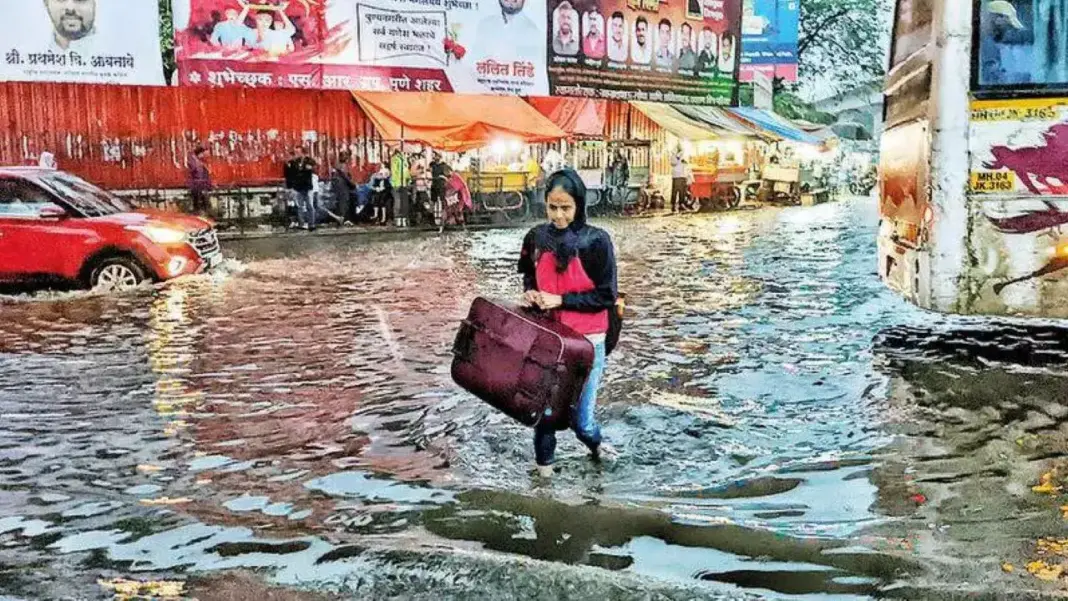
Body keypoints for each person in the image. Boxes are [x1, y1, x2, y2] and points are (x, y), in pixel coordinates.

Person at [517, 169, 619, 477]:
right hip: (550, 340)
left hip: (588, 342)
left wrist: (562, 300)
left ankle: (596, 444)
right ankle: (543, 478)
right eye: (552, 207)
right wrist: (531, 294)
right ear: (545, 204)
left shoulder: (597, 242)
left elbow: (607, 295)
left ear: (579, 206)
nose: (558, 216)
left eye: (566, 208)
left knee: (581, 420)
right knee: (543, 415)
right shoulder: (536, 238)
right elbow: (527, 275)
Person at [979, 0, 1029, 85]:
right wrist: (1029, 78)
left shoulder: (986, 42)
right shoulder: (988, 45)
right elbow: (992, 81)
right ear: (998, 19)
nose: (1008, 31)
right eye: (1008, 26)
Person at [287, 147, 318, 230]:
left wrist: (311, 168)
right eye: (296, 152)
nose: (296, 154)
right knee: (300, 206)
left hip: (307, 186)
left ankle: (312, 224)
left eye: (298, 152)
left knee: (310, 206)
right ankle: (302, 224)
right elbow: (292, 174)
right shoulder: (295, 162)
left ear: (302, 152)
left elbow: (315, 167)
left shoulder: (309, 160)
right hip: (298, 187)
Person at [441, 164, 471, 230]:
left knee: (458, 211)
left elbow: (456, 187)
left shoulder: (455, 176)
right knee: (450, 210)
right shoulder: (452, 178)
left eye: (446, 172)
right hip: (454, 197)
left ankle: (463, 227)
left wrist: (449, 191)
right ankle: (461, 227)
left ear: (449, 170)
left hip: (460, 196)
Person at [331, 150, 356, 226]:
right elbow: (345, 176)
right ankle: (343, 219)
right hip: (342, 185)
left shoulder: (338, 165)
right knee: (344, 202)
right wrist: (352, 184)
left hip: (339, 185)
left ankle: (341, 218)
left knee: (341, 202)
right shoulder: (342, 165)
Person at [187, 145, 212, 216]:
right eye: (205, 154)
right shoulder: (196, 163)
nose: (206, 156)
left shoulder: (199, 162)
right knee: (201, 205)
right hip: (199, 187)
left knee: (202, 205)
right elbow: (196, 175)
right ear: (200, 154)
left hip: (200, 187)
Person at [390, 149, 411, 227]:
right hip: (398, 183)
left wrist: (409, 179)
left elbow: (406, 171)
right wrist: (395, 183)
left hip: (403, 183)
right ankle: (398, 218)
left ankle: (403, 218)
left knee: (404, 202)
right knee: (398, 202)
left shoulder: (404, 159)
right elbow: (395, 172)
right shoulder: (395, 159)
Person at [670, 148, 687, 213]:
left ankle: (681, 204)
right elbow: (673, 163)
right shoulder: (673, 156)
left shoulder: (682, 156)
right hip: (676, 176)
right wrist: (678, 157)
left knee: (682, 191)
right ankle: (673, 205)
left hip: (682, 175)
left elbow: (685, 164)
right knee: (675, 191)